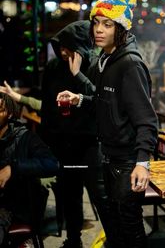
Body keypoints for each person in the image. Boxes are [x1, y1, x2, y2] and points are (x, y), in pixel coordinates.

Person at [57, 0, 158, 248]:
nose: (98, 29)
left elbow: (146, 120)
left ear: (121, 28)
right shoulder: (105, 60)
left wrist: (142, 163)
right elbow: (106, 105)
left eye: (107, 24)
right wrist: (79, 99)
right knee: (113, 229)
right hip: (108, 157)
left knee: (131, 230)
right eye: (96, 22)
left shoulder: (129, 65)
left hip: (126, 164)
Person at [40, 20, 111, 248]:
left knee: (101, 197)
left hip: (90, 145)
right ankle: (73, 241)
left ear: (80, 46)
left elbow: (100, 102)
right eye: (59, 46)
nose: (62, 51)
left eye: (67, 46)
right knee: (69, 196)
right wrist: (47, 143)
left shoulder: (95, 66)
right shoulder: (52, 68)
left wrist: (78, 74)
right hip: (63, 146)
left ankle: (116, 240)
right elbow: (46, 107)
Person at [0, 92, 59, 247]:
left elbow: (52, 164)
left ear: (10, 114)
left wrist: (14, 167)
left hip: (13, 207)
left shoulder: (24, 137)